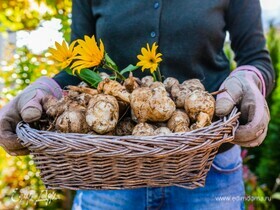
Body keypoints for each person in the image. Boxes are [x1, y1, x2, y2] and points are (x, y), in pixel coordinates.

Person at [0, 0, 275, 209]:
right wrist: (44, 90)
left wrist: (249, 81)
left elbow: (255, 58)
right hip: (107, 169)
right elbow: (77, 66)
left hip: (209, 167)